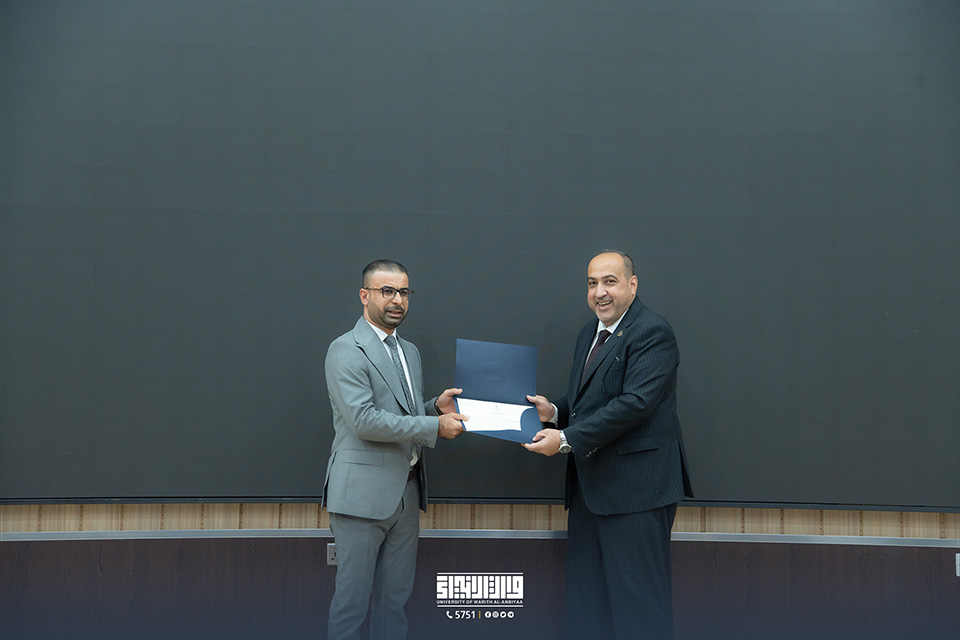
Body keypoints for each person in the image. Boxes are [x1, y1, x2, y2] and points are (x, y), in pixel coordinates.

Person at [523, 250, 693, 640]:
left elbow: (635, 403)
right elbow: (589, 402)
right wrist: (555, 411)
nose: (599, 292)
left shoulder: (652, 331)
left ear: (632, 285)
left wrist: (565, 439)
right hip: (590, 491)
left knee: (639, 612)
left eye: (609, 282)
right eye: (592, 283)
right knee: (588, 606)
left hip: (636, 495)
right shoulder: (590, 332)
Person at [323, 259, 468, 640]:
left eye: (404, 292)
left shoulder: (409, 351)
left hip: (406, 493)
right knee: (351, 607)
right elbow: (364, 421)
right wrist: (435, 426)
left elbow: (402, 415)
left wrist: (433, 408)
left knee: (394, 606)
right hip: (360, 499)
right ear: (364, 295)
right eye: (387, 291)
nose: (397, 300)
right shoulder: (346, 349)